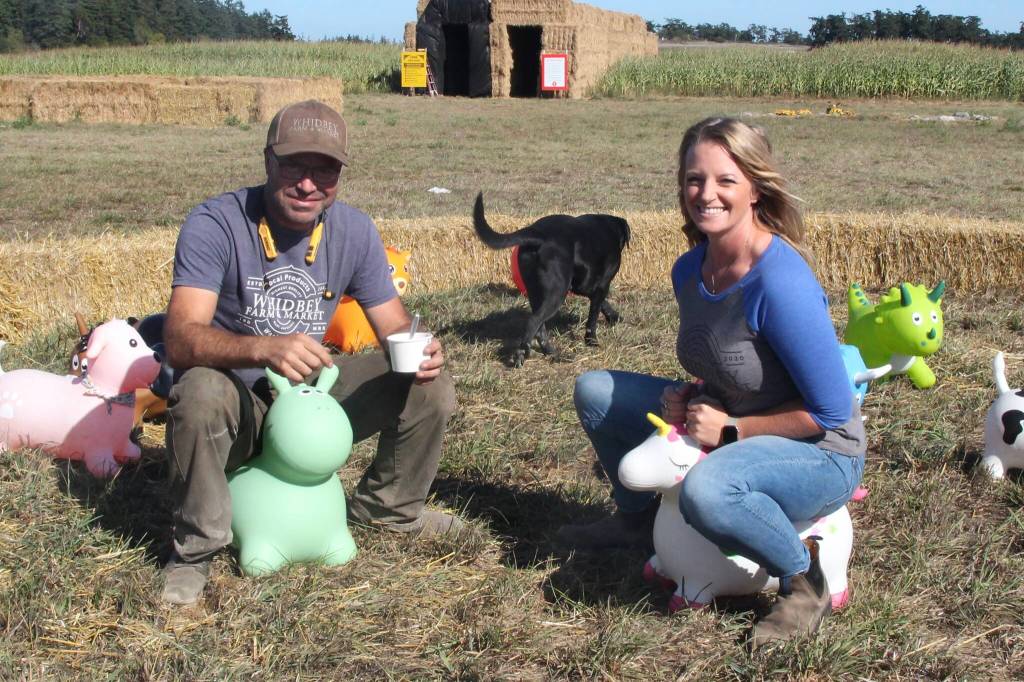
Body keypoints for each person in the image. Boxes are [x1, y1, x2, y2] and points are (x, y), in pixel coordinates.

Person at [557, 117, 865, 646]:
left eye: (726, 180)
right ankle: (635, 522)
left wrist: (729, 430)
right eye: (695, 179)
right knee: (596, 393)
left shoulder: (780, 283)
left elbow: (832, 413)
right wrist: (692, 394)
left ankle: (803, 579)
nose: (707, 194)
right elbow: (729, 361)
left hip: (821, 450)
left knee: (707, 490)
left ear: (755, 187)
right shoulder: (689, 270)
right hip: (731, 417)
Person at [160, 100, 461, 606]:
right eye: (295, 165)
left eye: (325, 170)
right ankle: (197, 548)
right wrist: (262, 348)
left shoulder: (353, 230)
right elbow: (180, 338)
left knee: (427, 385)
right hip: (242, 401)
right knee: (199, 392)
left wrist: (423, 348)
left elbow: (394, 326)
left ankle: (389, 508)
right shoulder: (216, 222)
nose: (308, 184)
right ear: (268, 161)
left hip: (311, 397)